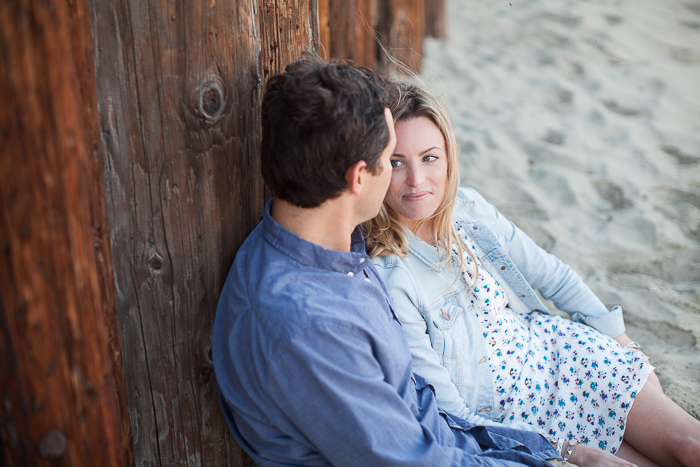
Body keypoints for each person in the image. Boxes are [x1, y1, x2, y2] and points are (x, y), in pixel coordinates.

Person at [210, 53, 627, 467]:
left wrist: (553, 451)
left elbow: (422, 405)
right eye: (390, 158)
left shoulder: (331, 248)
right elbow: (414, 460)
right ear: (359, 177)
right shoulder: (309, 327)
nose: (408, 178)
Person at [363, 80, 700, 467]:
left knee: (690, 448)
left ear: (449, 157)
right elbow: (449, 414)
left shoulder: (470, 209)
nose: (417, 180)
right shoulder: (392, 276)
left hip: (564, 359)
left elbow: (553, 275)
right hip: (522, 422)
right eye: (397, 162)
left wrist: (624, 345)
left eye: (429, 157)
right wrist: (563, 450)